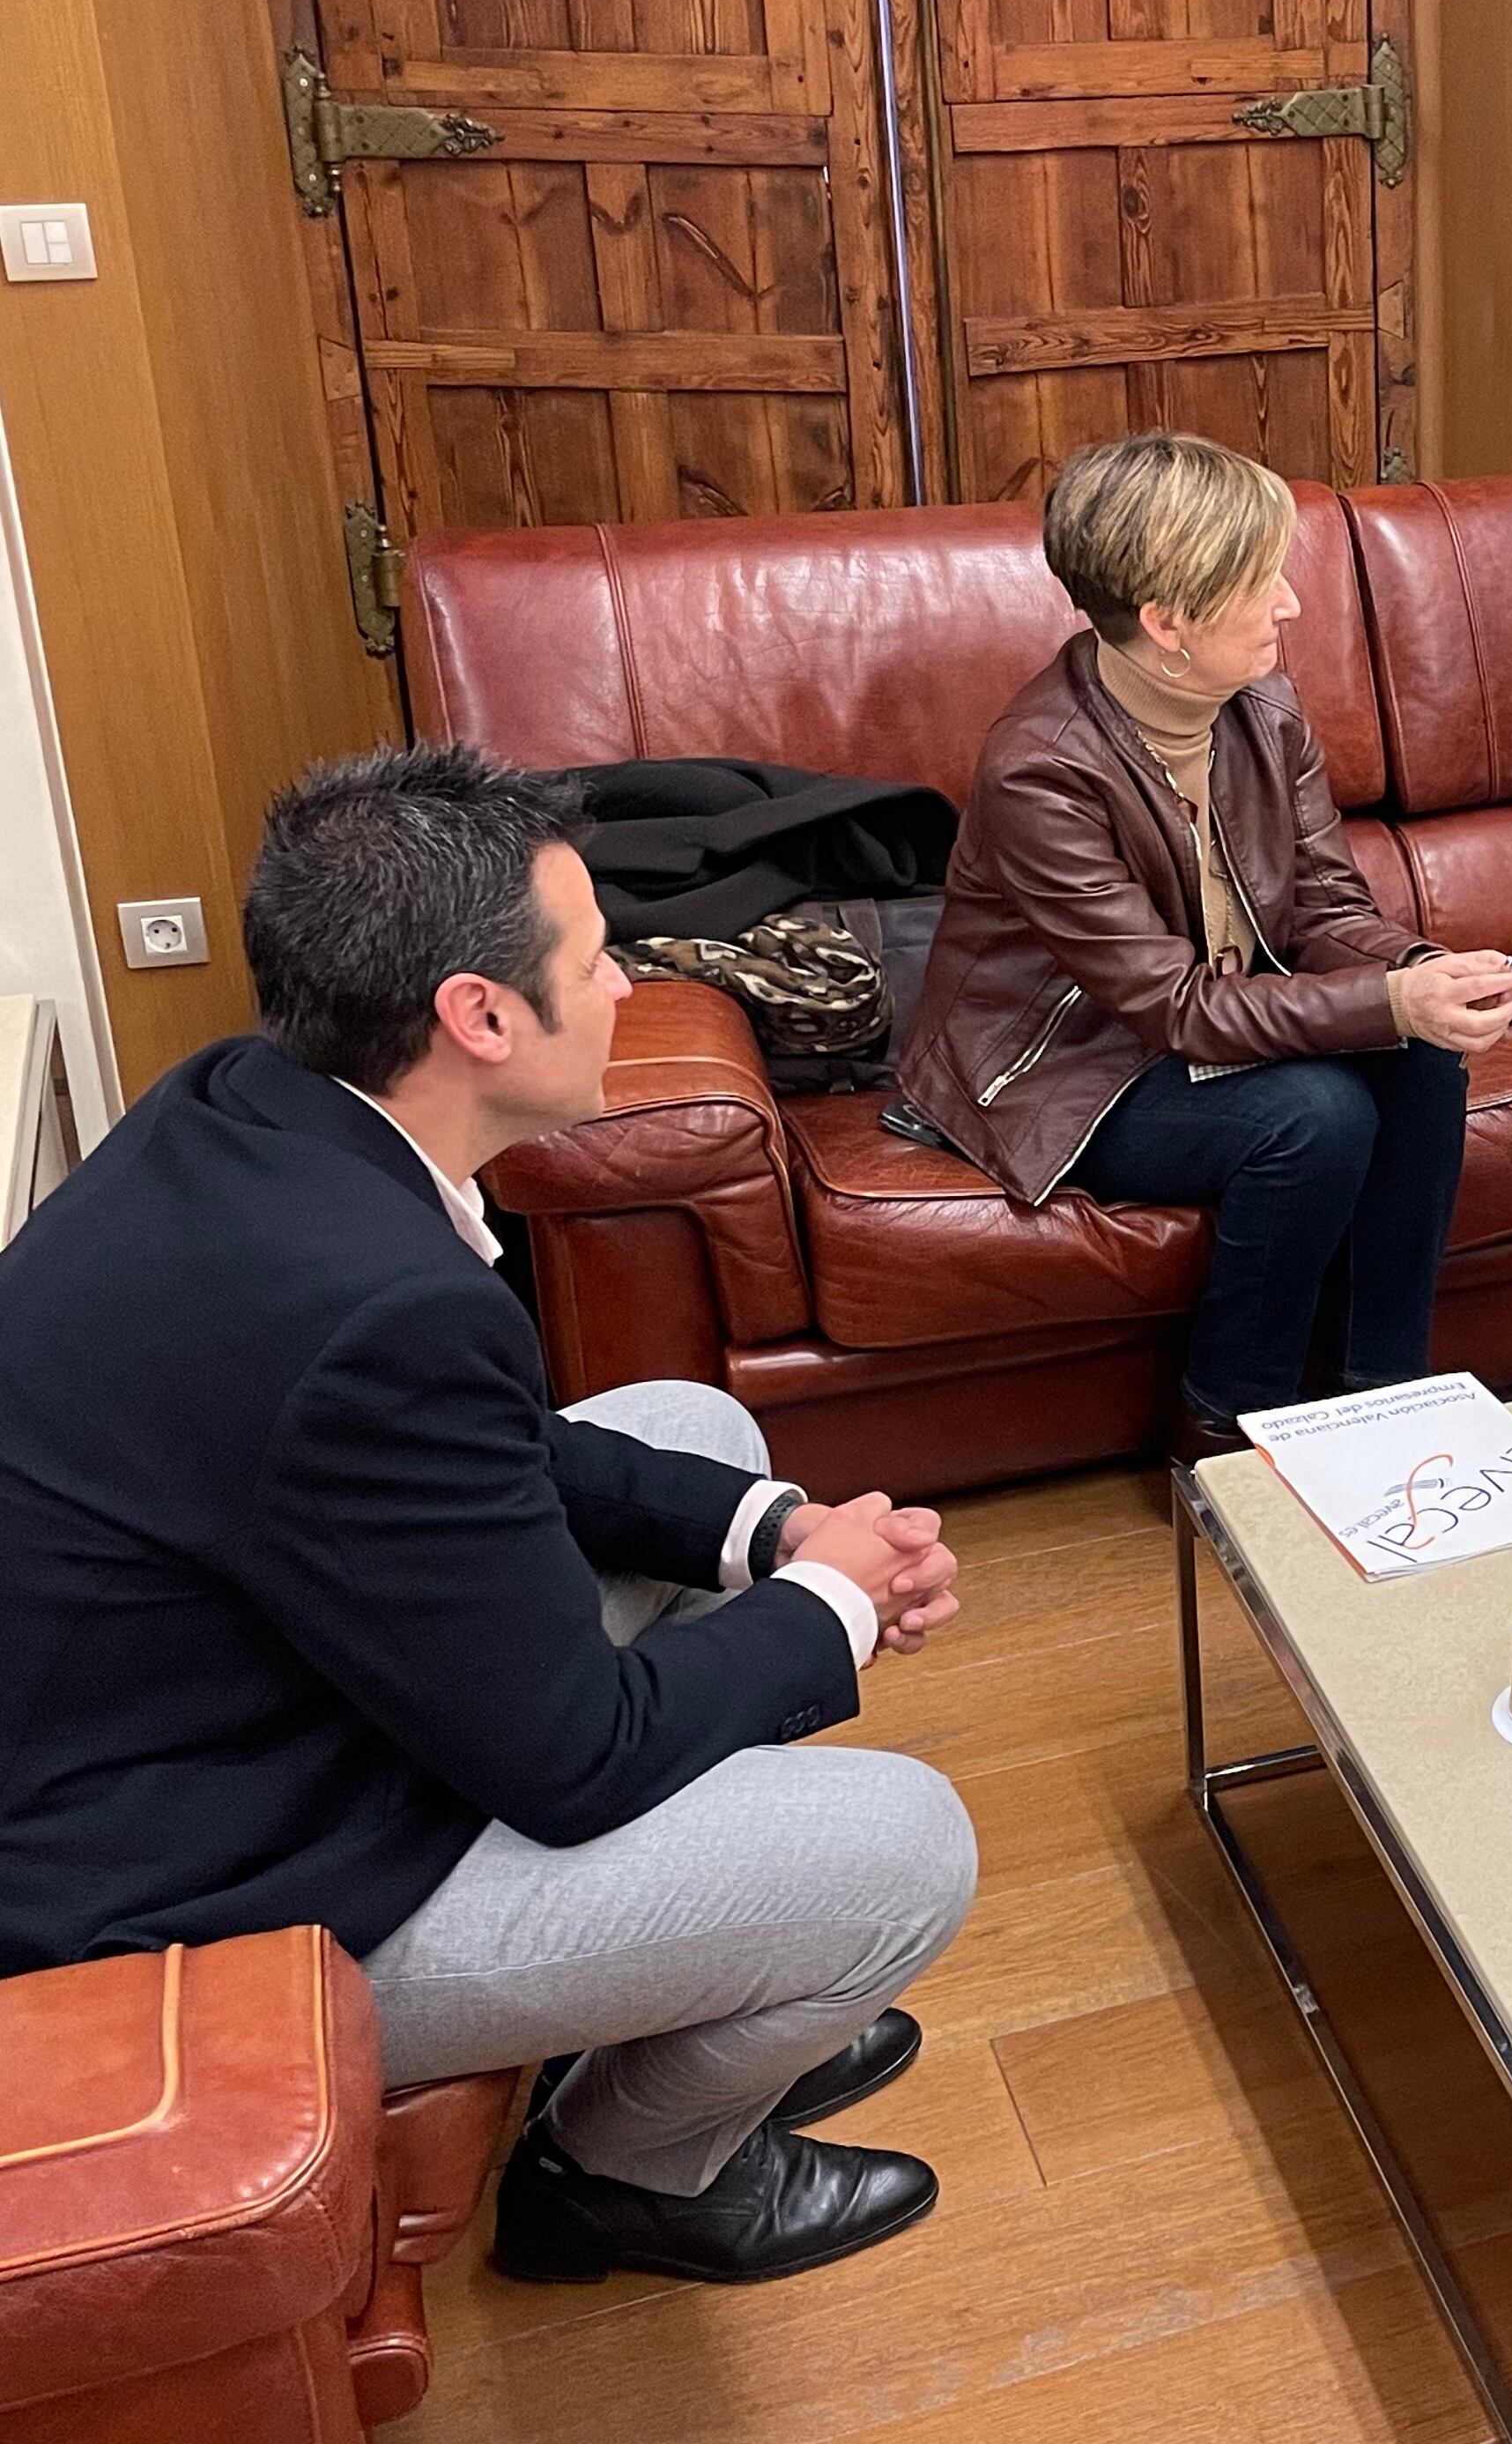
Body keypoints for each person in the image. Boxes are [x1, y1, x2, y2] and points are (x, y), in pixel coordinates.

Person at [0, 746, 978, 2284]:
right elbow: (573, 1756)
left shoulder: (241, 1103)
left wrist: (780, 1530)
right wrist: (837, 1599)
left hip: (227, 1696)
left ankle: (701, 2005)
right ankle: (622, 2172)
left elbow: (492, 1446)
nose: (626, 986)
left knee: (691, 1433)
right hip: (198, 1876)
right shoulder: (375, 1306)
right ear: (479, 1013)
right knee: (904, 1851)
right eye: (597, 958)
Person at [901, 433, 1512, 1459]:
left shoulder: (1261, 706)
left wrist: (1429, 974)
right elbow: (1173, 1010)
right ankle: (1225, 1427)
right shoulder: (1041, 770)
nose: (1290, 601)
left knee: (1423, 1053)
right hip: (1073, 1064)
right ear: (1168, 624)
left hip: (1209, 1023)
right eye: (1261, 581)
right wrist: (1388, 1003)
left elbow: (1326, 907)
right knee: (1312, 1113)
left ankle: (1388, 1398)